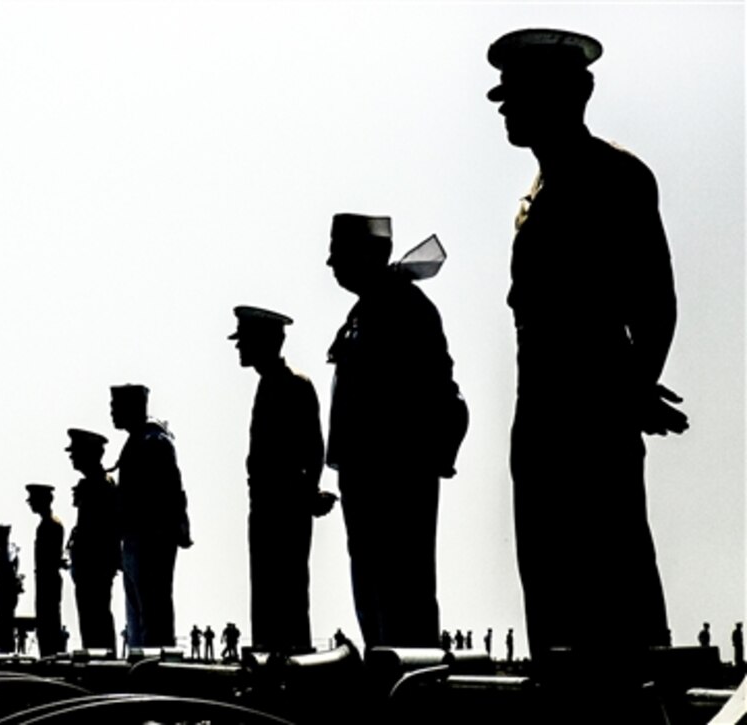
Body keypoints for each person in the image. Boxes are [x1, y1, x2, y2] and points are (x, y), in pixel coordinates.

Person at [487, 28, 686, 660]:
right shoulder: (534, 199)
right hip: (539, 413)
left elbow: (655, 305)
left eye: (517, 95)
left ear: (566, 96)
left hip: (591, 419)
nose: (505, 109)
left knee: (616, 590)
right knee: (551, 597)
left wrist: (628, 396)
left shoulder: (615, 177)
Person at [326, 213, 463, 650]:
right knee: (372, 592)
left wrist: (423, 461)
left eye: (339, 252)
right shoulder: (367, 310)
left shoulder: (404, 308)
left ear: (370, 254)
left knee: (402, 592)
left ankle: (413, 695)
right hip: (365, 476)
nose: (330, 263)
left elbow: (442, 395)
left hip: (395, 478)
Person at [228, 305, 334, 654]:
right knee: (266, 594)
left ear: (265, 341)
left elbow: (313, 451)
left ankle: (292, 668)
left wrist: (304, 494)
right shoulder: (269, 384)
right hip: (265, 506)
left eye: (244, 340)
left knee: (286, 594)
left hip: (284, 508)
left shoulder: (293, 385)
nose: (239, 347)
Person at [110, 383, 191, 648]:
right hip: (136, 539)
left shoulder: (153, 442)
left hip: (150, 539)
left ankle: (158, 673)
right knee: (139, 617)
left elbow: (170, 492)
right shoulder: (139, 441)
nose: (112, 411)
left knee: (153, 613)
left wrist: (166, 531)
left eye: (116, 405)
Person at [64, 428, 120, 651]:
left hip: (94, 565)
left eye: (75, 453)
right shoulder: (96, 484)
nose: (71, 457)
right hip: (91, 564)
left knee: (95, 618)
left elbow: (100, 530)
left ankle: (101, 664)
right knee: (92, 619)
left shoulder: (99, 486)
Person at [27, 483, 66, 656]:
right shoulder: (46, 525)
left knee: (49, 624)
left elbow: (51, 559)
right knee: (45, 624)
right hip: (44, 579)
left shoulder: (51, 526)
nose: (30, 502)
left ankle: (50, 657)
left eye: (33, 499)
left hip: (48, 580)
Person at [0, 523, 21, 652]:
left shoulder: (5, 557)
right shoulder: (8, 554)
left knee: (5, 631)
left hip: (4, 599)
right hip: (4, 598)